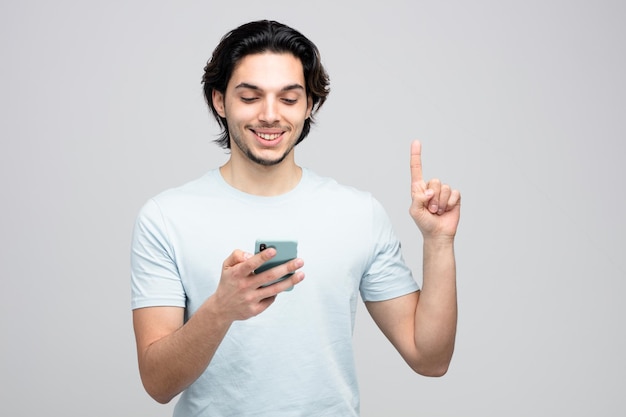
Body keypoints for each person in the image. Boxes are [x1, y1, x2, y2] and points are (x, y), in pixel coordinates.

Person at [131, 19, 461, 416]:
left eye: (289, 99)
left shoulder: (358, 214)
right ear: (220, 101)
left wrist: (439, 243)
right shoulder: (166, 217)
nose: (270, 116)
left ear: (309, 106)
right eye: (250, 97)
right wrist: (221, 308)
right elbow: (157, 383)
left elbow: (430, 358)